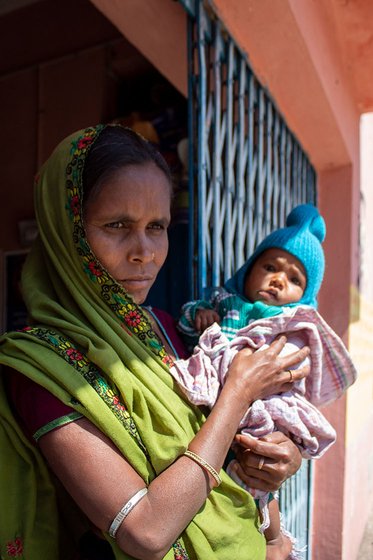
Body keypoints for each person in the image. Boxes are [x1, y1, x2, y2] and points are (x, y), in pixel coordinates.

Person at [0, 124, 310, 560]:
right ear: (66, 230)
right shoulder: (41, 367)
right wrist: (238, 394)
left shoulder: (166, 330)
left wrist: (275, 459)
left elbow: (223, 446)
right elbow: (145, 531)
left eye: (157, 226)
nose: (144, 252)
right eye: (117, 225)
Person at [175, 205, 357, 559]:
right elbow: (186, 320)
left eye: (294, 279)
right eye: (270, 267)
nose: (277, 280)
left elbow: (298, 372)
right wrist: (199, 315)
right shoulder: (223, 299)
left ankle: (274, 540)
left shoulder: (293, 323)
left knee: (259, 476)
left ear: (305, 296)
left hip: (262, 409)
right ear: (248, 270)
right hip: (215, 400)